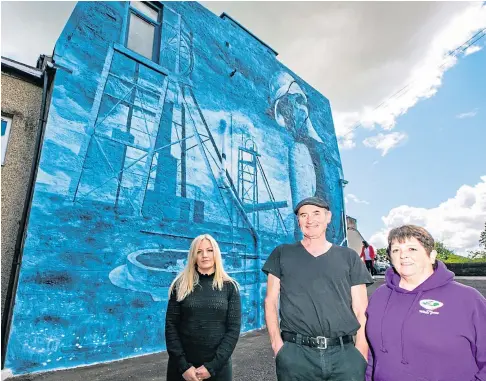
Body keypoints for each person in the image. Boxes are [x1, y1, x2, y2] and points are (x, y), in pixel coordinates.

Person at [262, 196, 374, 380]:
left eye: (316, 213)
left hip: (344, 357)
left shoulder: (349, 257)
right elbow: (271, 301)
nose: (310, 219)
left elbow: (361, 309)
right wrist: (277, 345)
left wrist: (361, 350)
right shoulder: (282, 253)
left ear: (328, 217)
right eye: (303, 215)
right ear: (298, 221)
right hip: (296, 357)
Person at [365, 225, 486, 381]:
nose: (403, 255)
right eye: (396, 250)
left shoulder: (468, 299)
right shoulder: (380, 296)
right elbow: (373, 355)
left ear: (431, 255)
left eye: (412, 249)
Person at [165, 234, 241, 381]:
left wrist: (212, 367)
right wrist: (184, 367)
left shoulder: (230, 287)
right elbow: (171, 327)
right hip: (182, 370)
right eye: (199, 252)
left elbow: (233, 329)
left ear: (216, 253)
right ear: (193, 256)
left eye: (209, 250)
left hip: (218, 369)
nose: (204, 255)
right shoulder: (180, 285)